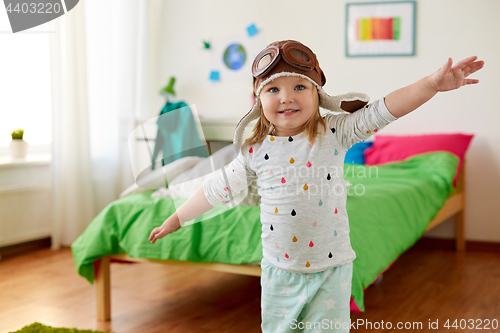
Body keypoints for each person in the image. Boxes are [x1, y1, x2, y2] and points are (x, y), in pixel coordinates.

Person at [149, 40, 484, 332]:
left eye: (299, 87)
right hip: (279, 272)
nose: (286, 98)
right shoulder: (254, 150)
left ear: (317, 93)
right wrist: (177, 218)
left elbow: (386, 109)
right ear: (257, 98)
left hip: (332, 271)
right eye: (273, 89)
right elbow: (216, 188)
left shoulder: (335, 132)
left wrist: (431, 84)